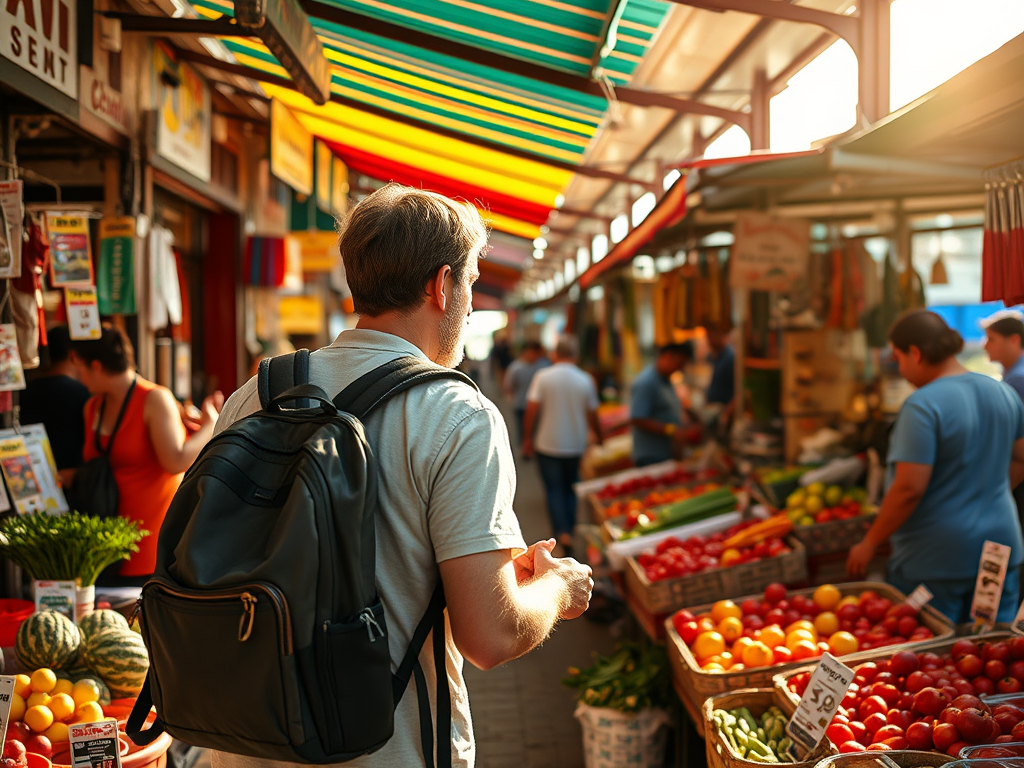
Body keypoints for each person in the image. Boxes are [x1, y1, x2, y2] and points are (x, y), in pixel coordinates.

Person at [212, 184, 593, 768]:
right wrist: (559, 588)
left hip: (247, 745)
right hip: (389, 750)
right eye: (469, 286)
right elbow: (490, 636)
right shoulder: (457, 416)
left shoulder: (255, 394)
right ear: (442, 286)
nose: (468, 308)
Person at [847, 310, 1024, 624]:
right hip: (999, 549)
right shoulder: (1003, 391)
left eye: (898, 358)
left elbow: (908, 488)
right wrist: (982, 492)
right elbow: (1021, 459)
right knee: (994, 652)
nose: (900, 369)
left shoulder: (922, 405)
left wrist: (870, 541)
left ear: (915, 353)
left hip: (937, 558)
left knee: (934, 661)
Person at [70, 326, 223, 584]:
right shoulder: (92, 406)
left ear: (96, 366)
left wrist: (211, 425)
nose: (78, 377)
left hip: (149, 545)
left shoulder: (154, 399)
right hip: (103, 546)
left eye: (80, 368)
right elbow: (107, 467)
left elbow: (176, 460)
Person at [522, 335, 603, 556]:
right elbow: (593, 413)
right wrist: (600, 435)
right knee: (570, 488)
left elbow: (531, 410)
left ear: (555, 354)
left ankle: (561, 532)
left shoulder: (543, 377)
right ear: (576, 355)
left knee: (554, 489)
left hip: (547, 443)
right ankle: (570, 528)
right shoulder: (585, 379)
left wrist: (527, 437)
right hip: (575, 443)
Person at [20, 325, 90, 470]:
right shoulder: (85, 393)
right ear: (75, 355)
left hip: (34, 477)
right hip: (77, 482)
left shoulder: (26, 390)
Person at [630, 342, 695, 467]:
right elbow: (637, 418)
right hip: (650, 457)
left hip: (665, 455)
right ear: (668, 356)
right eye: (680, 363)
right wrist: (670, 429)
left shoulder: (665, 380)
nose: (681, 369)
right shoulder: (646, 382)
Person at [503, 341, 550, 447]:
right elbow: (509, 385)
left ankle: (532, 446)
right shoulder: (516, 367)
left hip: (538, 405)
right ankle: (524, 446)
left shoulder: (544, 366)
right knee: (521, 428)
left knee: (537, 427)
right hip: (520, 404)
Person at [984, 311, 1024, 399]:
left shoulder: (1018, 379)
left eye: (991, 339)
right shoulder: (1013, 374)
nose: (985, 346)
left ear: (1014, 340)